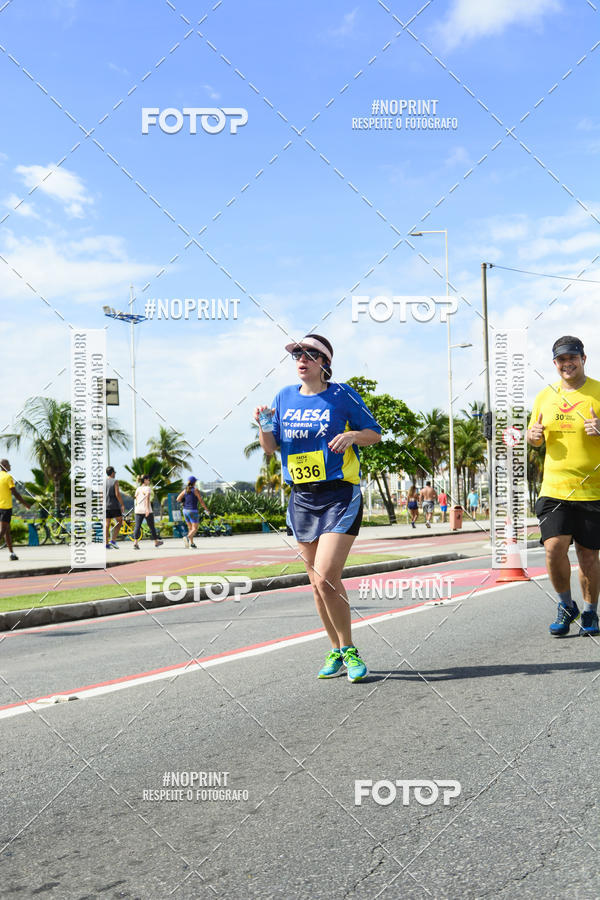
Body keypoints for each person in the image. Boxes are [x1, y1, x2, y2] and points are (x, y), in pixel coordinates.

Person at [255, 334, 381, 682]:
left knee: (326, 577)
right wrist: (264, 425)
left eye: (310, 354)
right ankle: (336, 651)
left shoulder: (341, 394)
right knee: (315, 583)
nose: (301, 358)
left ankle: (350, 649)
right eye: (297, 353)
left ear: (324, 362)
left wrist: (352, 436)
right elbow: (270, 447)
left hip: (339, 494)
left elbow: (374, 433)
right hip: (302, 497)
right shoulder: (284, 397)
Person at [527, 335, 600, 637]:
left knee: (587, 555)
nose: (567, 363)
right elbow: (535, 436)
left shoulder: (598, 392)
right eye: (561, 359)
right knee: (553, 548)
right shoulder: (545, 396)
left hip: (593, 490)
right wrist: (532, 437)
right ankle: (566, 605)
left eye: (572, 357)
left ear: (583, 359)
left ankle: (590, 612)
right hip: (554, 488)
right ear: (555, 363)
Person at [0, 459, 31, 561]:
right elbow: (15, 493)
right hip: (5, 508)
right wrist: (25, 504)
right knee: (3, 531)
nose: (10, 466)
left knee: (7, 531)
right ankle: (12, 553)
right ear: (4, 465)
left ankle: (12, 553)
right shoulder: (8, 477)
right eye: (9, 464)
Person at [176, 476, 210, 548]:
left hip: (185, 511)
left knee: (190, 528)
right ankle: (187, 537)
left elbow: (178, 499)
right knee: (195, 528)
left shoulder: (185, 490)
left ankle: (191, 544)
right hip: (193, 511)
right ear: (194, 482)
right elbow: (201, 501)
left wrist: (184, 501)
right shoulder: (195, 490)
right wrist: (206, 509)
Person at [133, 474, 164, 550]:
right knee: (151, 526)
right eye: (148, 480)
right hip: (147, 510)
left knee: (137, 526)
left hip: (138, 510)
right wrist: (147, 509)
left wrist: (137, 508)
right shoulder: (148, 488)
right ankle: (156, 542)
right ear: (145, 480)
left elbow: (136, 499)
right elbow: (147, 499)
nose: (149, 481)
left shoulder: (138, 489)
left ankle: (135, 543)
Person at [105, 466, 125, 549]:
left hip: (106, 506)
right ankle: (113, 540)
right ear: (112, 473)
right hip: (114, 506)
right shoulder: (115, 481)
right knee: (120, 522)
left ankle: (106, 544)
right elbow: (117, 494)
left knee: (107, 525)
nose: (115, 474)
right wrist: (122, 504)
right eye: (115, 472)